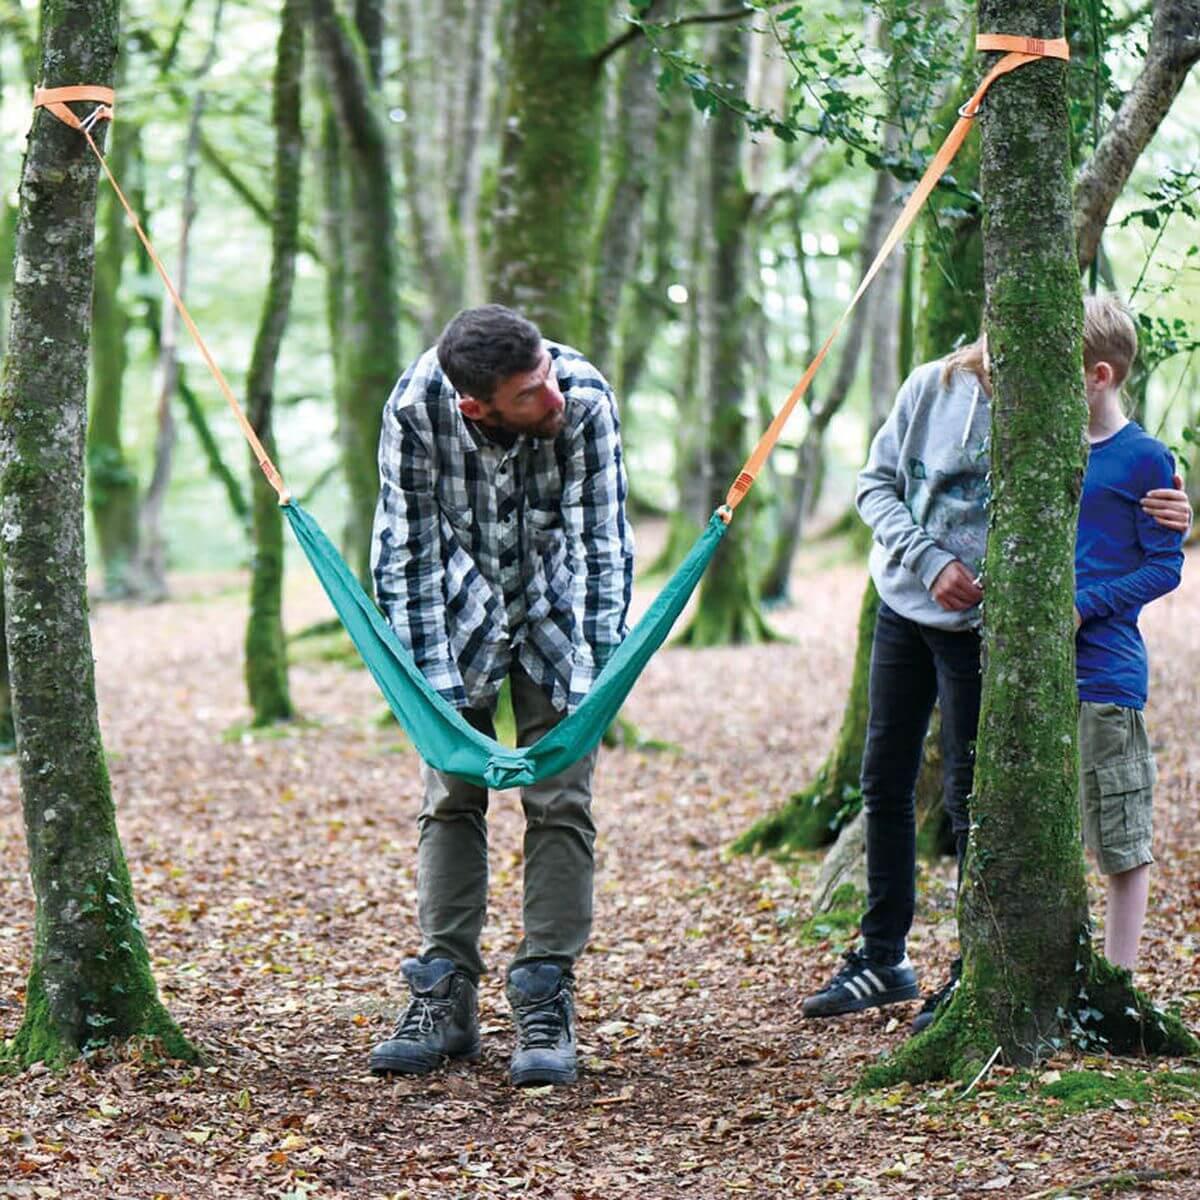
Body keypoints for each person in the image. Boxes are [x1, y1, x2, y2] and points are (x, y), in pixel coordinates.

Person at [801, 302, 1192, 1029]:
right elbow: (873, 485)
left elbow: (1113, 495)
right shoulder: (933, 386)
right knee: (883, 777)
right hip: (904, 604)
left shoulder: (1048, 407)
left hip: (980, 631)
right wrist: (927, 559)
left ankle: (972, 968)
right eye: (988, 349)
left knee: (969, 793)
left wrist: (1172, 511)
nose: (992, 367)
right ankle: (882, 956)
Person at [366, 305, 634, 1086]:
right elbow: (405, 552)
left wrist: (591, 689)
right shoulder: (416, 410)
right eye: (529, 394)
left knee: (559, 796)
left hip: (559, 606)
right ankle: (443, 992)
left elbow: (603, 544)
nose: (551, 398)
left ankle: (545, 989)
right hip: (457, 608)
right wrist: (440, 705)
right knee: (451, 793)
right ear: (475, 406)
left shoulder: (579, 395)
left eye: (546, 376)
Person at [1074, 296, 1183, 971]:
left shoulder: (1144, 457)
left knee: (1118, 829)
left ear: (1101, 375)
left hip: (1106, 673)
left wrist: (1088, 606)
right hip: (1033, 675)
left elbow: (1165, 566)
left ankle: (1118, 977)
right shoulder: (1045, 448)